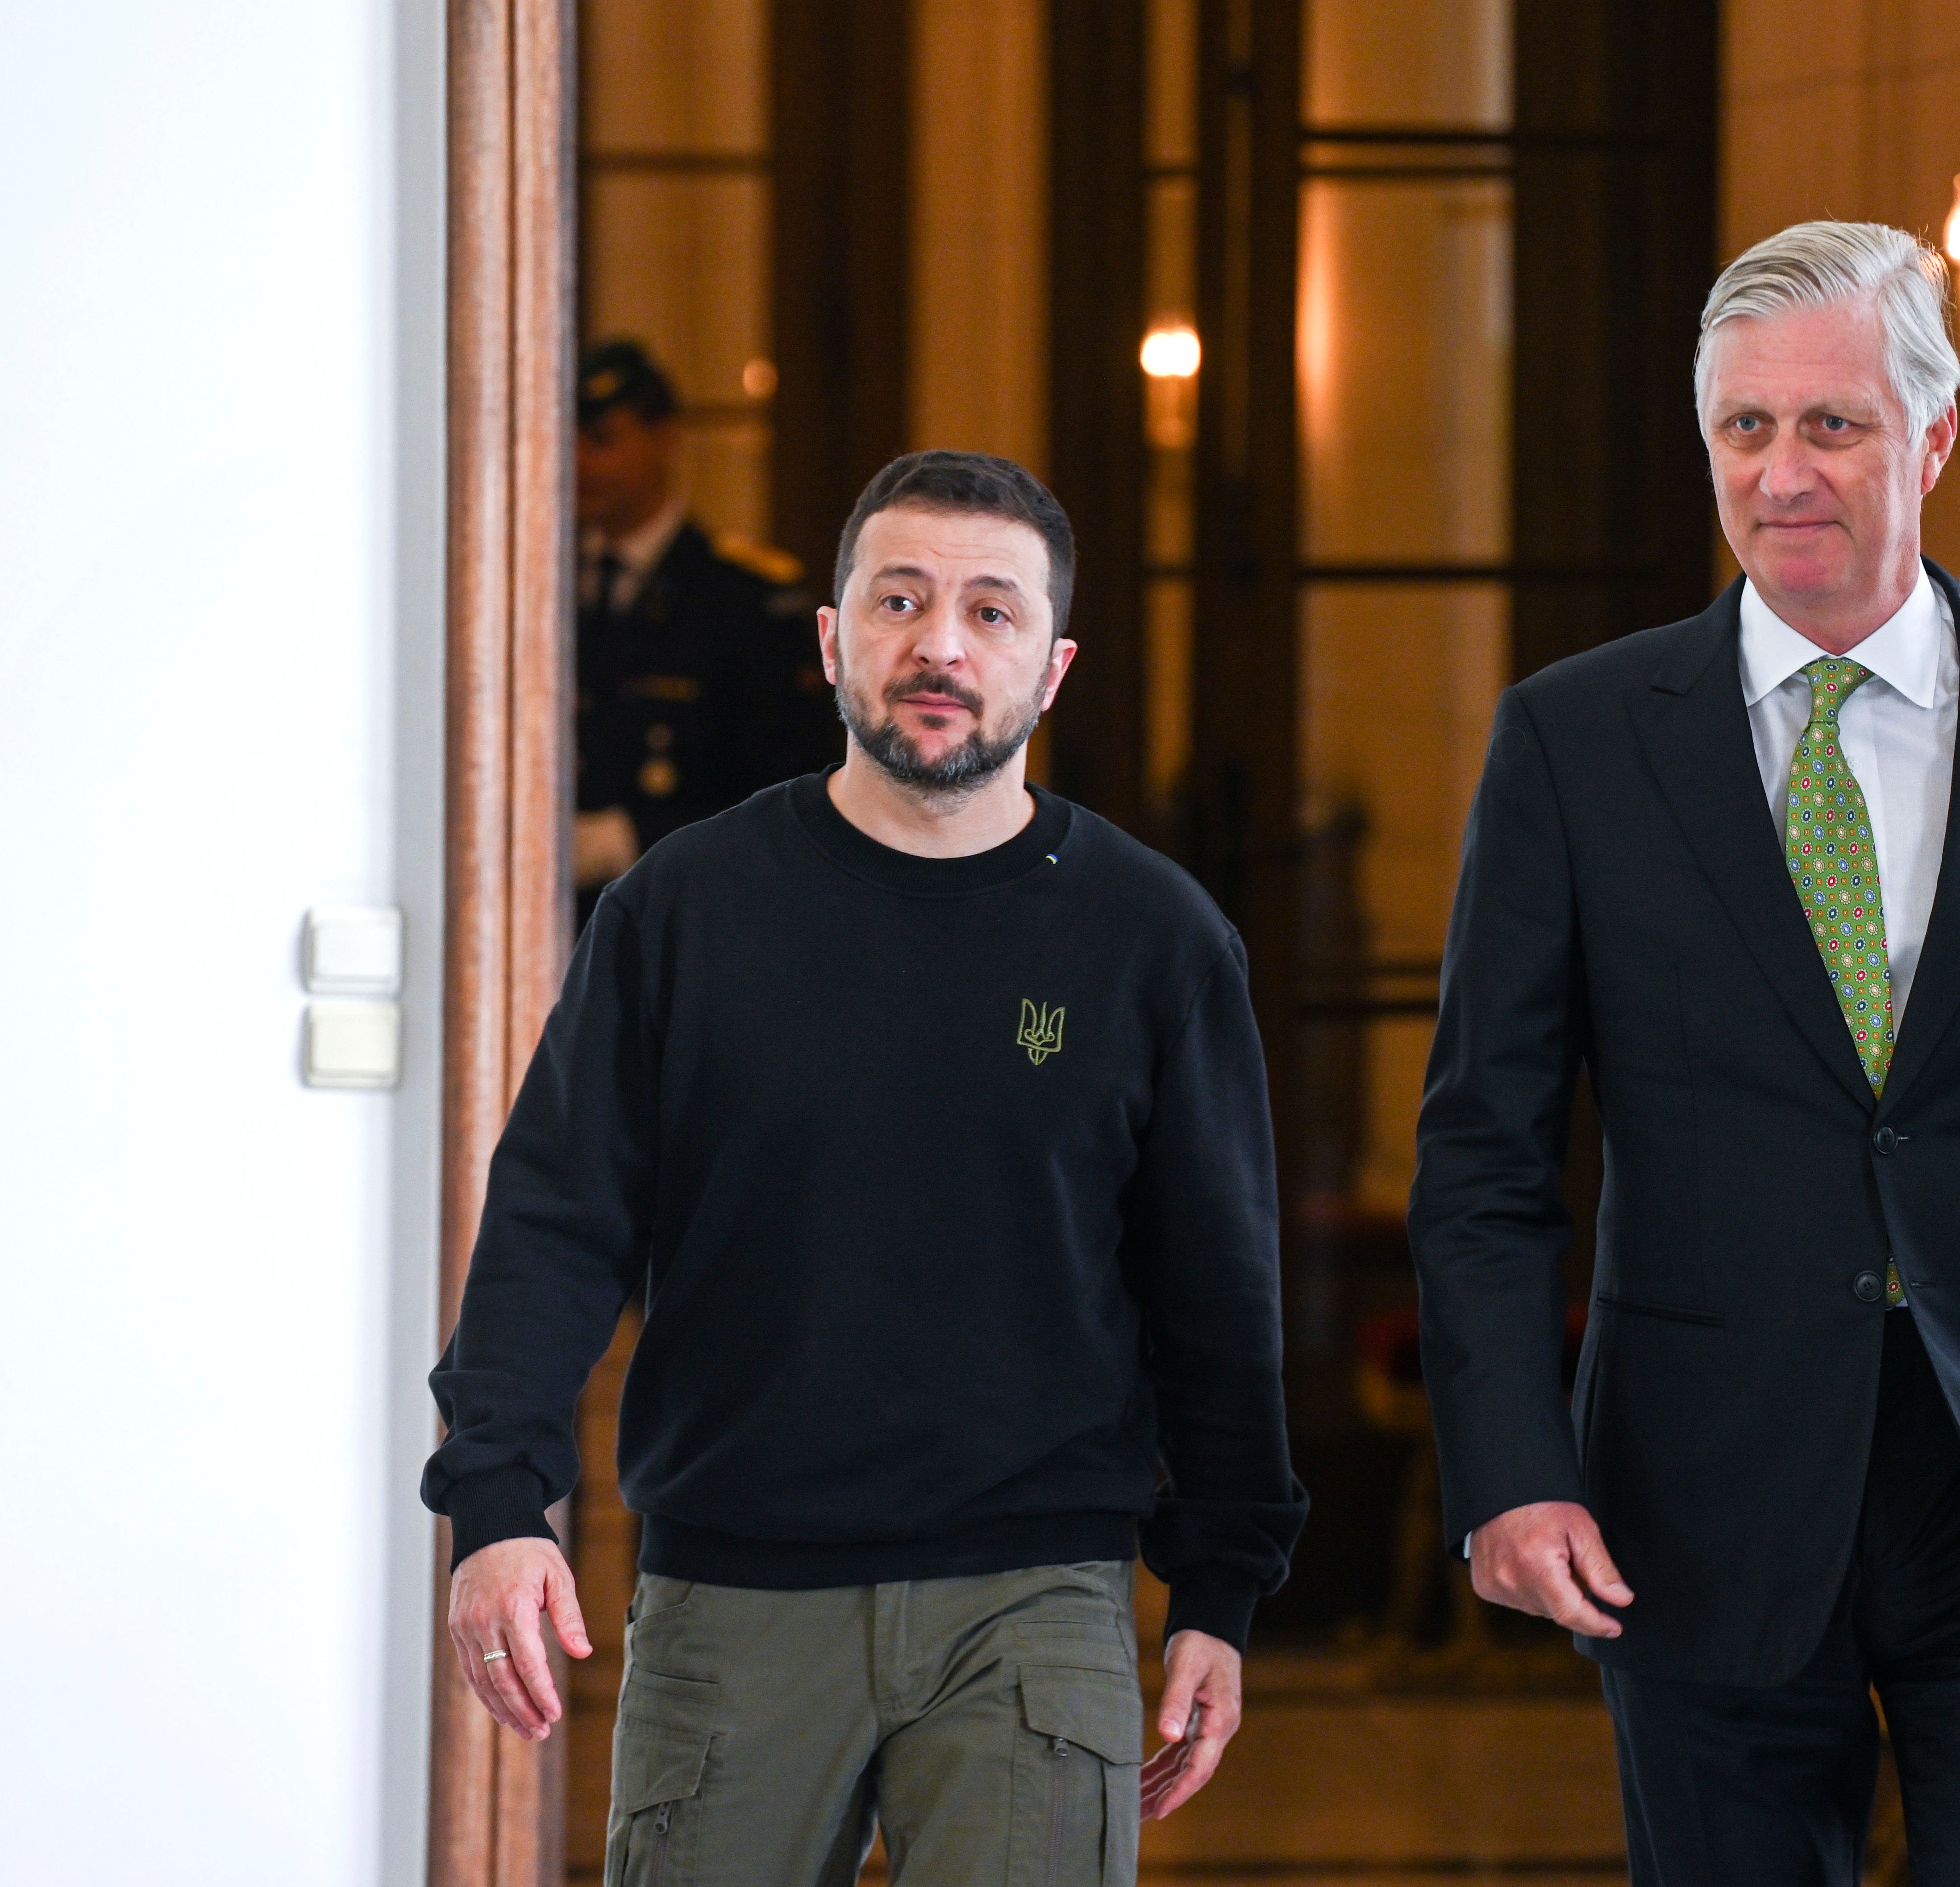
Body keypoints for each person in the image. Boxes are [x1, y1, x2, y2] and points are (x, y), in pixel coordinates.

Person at [1409, 221, 1960, 1886]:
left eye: (1834, 424)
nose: (1783, 471)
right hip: (1700, 1492)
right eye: (1746, 426)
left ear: (1934, 439)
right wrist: (1510, 1473)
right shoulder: (1574, 743)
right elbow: (1484, 1161)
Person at [426, 451, 1306, 1883]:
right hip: (733, 1589)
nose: (940, 643)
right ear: (833, 639)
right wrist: (496, 1503)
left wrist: (1220, 1585)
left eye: (990, 610)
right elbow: (553, 1222)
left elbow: (1217, 1288)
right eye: (898, 600)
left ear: (1053, 664)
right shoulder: (679, 912)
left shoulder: (1155, 939)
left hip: (1035, 1596)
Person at [572, 337, 842, 912]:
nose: (579, 463)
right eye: (566, 441)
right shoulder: (545, 585)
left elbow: (786, 789)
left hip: (685, 907)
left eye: (602, 441)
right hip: (556, 920)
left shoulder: (743, 601)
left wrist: (627, 839)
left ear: (666, 437)